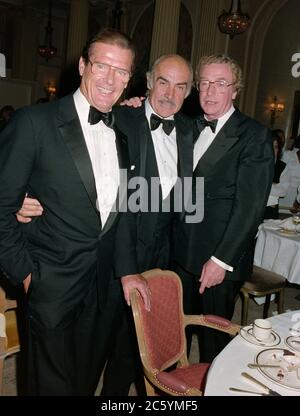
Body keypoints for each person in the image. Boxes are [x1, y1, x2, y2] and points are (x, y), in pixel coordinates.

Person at [17, 54, 195, 395]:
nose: (170, 94)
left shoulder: (189, 130)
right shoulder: (118, 117)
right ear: (146, 82)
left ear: (188, 92)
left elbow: (191, 199)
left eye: (180, 86)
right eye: (163, 82)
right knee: (92, 349)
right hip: (112, 257)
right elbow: (65, 153)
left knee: (135, 352)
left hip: (162, 259)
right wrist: (23, 196)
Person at [0, 28, 149, 396]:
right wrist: (26, 273)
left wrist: (128, 270)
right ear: (83, 65)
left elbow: (125, 210)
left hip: (102, 289)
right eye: (102, 65)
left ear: (130, 80)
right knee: (48, 386)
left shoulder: (124, 132)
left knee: (84, 382)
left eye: (122, 72)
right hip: (50, 282)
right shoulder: (33, 123)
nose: (110, 79)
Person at [172, 54, 274, 362]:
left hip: (218, 261)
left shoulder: (254, 136)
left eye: (220, 83)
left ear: (235, 90)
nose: (210, 91)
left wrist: (221, 260)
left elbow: (250, 207)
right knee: (177, 333)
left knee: (213, 343)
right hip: (179, 253)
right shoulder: (188, 126)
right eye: (204, 83)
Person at [264, 133, 290, 219]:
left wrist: (262, 185)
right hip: (251, 207)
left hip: (271, 209)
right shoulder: (253, 164)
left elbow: (283, 191)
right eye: (270, 146)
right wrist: (273, 185)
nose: (273, 150)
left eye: (275, 147)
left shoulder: (282, 166)